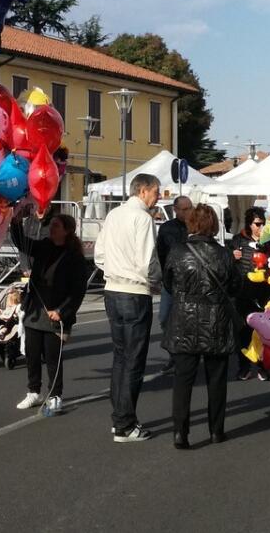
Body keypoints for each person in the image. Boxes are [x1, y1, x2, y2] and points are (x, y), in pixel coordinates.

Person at [163, 205, 240, 449]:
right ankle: (216, 430)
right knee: (216, 380)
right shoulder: (224, 254)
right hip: (215, 320)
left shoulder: (177, 252)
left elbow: (167, 283)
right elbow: (235, 286)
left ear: (192, 224)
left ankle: (180, 433)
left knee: (183, 381)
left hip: (184, 320)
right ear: (213, 225)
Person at [95, 172, 162, 443]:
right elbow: (148, 259)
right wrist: (154, 283)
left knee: (120, 357)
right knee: (134, 360)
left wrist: (113, 270)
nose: (157, 197)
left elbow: (99, 253)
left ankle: (119, 417)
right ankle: (125, 423)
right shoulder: (142, 218)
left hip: (112, 289)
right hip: (135, 292)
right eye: (156, 192)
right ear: (143, 191)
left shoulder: (113, 215)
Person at [12, 211, 87, 415]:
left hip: (56, 313)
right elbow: (22, 242)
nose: (51, 229)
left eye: (56, 226)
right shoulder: (44, 245)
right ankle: (33, 391)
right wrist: (15, 222)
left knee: (53, 358)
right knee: (32, 354)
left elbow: (78, 291)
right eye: (51, 225)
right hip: (35, 310)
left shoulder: (75, 257)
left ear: (67, 231)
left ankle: (55, 395)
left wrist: (62, 311)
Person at [228, 207, 270, 380]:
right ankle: (244, 366)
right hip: (243, 291)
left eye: (263, 224)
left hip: (265, 292)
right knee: (243, 331)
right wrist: (232, 256)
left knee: (265, 331)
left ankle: (263, 366)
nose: (260, 228)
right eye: (257, 224)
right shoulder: (238, 240)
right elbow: (226, 262)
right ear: (249, 224)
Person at [156, 196, 193, 373]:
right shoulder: (167, 228)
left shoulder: (197, 226)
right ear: (175, 210)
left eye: (189, 208)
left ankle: (184, 356)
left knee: (187, 321)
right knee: (164, 318)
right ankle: (173, 352)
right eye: (183, 209)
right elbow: (166, 252)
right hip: (170, 282)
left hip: (192, 283)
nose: (187, 212)